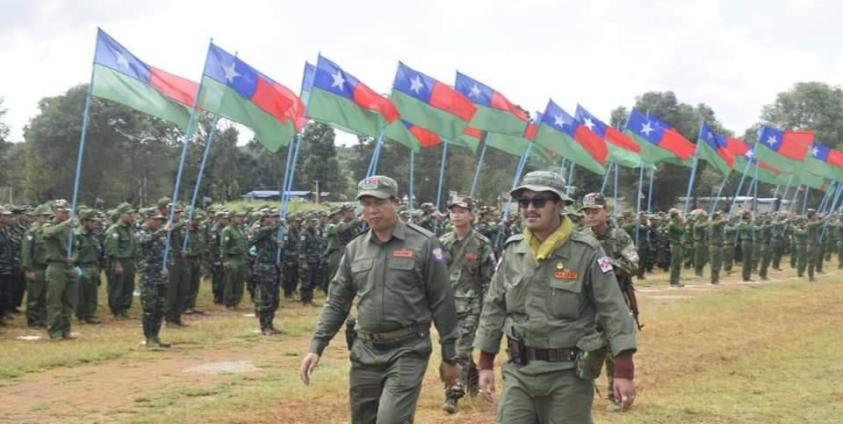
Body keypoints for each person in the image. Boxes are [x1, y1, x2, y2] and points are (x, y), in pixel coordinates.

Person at [475, 171, 637, 423]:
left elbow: (613, 310)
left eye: (539, 201)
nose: (530, 208)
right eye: (524, 201)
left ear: (560, 205)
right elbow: (494, 307)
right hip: (520, 372)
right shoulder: (513, 250)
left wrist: (624, 370)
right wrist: (485, 362)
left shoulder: (586, 252)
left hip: (568, 375)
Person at [299, 175, 459, 424]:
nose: (372, 210)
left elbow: (442, 301)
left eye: (379, 202)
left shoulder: (425, 243)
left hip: (408, 349)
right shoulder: (355, 249)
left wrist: (450, 357)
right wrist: (316, 346)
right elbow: (338, 301)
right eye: (366, 204)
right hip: (365, 351)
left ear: (396, 202)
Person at [580, 192, 640, 412]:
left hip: (615, 297)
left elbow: (633, 265)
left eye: (595, 211)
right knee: (585, 346)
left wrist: (607, 264)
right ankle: (579, 395)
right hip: (587, 300)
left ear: (606, 211)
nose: (590, 215)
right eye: (587, 211)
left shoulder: (619, 236)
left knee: (615, 347)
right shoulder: (581, 237)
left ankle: (616, 396)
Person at [438, 195, 495, 414]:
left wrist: (488, 309)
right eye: (453, 211)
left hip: (471, 306)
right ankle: (471, 373)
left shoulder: (482, 244)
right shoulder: (441, 243)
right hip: (447, 307)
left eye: (462, 211)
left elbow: (489, 279)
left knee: (460, 349)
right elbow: (434, 275)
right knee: (450, 347)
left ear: (472, 215)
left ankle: (453, 394)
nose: (456, 215)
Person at [41, 200, 78, 340]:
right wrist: (64, 224)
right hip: (56, 267)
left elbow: (76, 248)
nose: (65, 214)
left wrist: (73, 258)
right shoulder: (49, 225)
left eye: (67, 211)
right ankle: (55, 331)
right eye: (62, 211)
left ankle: (65, 330)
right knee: (55, 301)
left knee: (68, 301)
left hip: (69, 267)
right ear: (55, 212)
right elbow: (47, 233)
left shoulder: (70, 229)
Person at [137, 208, 172, 348]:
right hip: (148, 275)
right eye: (155, 219)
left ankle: (156, 336)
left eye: (160, 220)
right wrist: (161, 231)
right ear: (148, 219)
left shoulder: (161, 234)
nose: (158, 222)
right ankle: (148, 338)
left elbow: (166, 252)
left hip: (160, 274)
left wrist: (167, 267)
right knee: (149, 307)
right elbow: (144, 241)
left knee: (160, 307)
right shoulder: (142, 231)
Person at [251, 209, 282, 335]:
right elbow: (260, 235)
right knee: (265, 298)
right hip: (263, 268)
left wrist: (278, 243)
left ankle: (270, 324)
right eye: (269, 217)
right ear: (263, 218)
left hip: (273, 267)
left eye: (273, 217)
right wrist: (277, 225)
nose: (272, 219)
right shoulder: (259, 229)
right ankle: (264, 326)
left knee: (274, 298)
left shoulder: (271, 231)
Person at [21, 204, 52, 328]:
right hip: (36, 267)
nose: (46, 219)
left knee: (45, 296)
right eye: (44, 216)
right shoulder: (31, 233)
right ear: (37, 217)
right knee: (34, 296)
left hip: (47, 267)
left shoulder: (48, 232)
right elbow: (26, 253)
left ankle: (43, 319)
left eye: (48, 216)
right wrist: (28, 269)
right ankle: (33, 320)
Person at [104, 203, 137, 319]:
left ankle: (124, 308)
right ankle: (116, 310)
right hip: (118, 261)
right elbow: (112, 249)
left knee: (128, 286)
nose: (132, 216)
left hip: (129, 261)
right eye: (129, 214)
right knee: (117, 286)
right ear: (121, 215)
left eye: (132, 214)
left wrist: (134, 261)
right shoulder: (114, 230)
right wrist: (117, 264)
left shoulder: (129, 229)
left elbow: (133, 246)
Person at [74, 208, 103, 324]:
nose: (94, 223)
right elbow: (74, 252)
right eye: (91, 221)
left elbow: (98, 252)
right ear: (84, 221)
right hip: (81, 266)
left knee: (92, 292)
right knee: (81, 293)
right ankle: (81, 315)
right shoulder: (77, 235)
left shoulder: (93, 235)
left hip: (93, 266)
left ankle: (91, 313)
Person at [221, 211, 248, 309]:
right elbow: (224, 246)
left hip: (241, 258)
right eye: (238, 217)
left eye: (240, 216)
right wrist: (225, 260)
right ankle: (228, 302)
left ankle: (236, 302)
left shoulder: (239, 230)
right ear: (231, 218)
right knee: (231, 281)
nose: (240, 218)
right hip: (232, 258)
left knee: (240, 281)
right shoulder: (227, 230)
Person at [667, 209, 685, 287]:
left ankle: (677, 280)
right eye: (678, 215)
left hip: (678, 245)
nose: (679, 216)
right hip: (675, 245)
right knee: (675, 264)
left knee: (678, 264)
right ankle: (673, 281)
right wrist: (683, 224)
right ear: (674, 216)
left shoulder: (676, 223)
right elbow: (681, 231)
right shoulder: (672, 224)